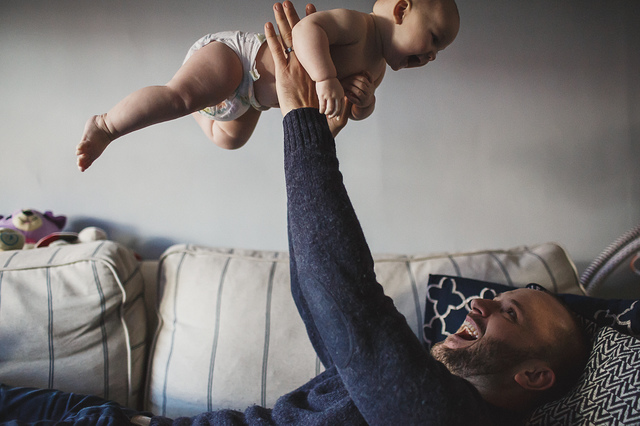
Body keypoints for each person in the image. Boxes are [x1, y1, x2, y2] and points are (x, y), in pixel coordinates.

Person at [1, 4, 588, 425]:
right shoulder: (421, 386)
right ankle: (148, 120)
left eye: (509, 310)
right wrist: (308, 120)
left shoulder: (442, 413)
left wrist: (302, 121)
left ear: (534, 377)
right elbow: (318, 291)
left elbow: (345, 301)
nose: (480, 300)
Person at [75, 0, 460, 171]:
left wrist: (363, 103)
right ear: (401, 10)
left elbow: (349, 111)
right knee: (178, 97)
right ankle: (107, 125)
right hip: (238, 59)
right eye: (434, 39)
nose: (432, 56)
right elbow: (308, 30)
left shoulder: (378, 69)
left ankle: (198, 108)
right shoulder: (359, 26)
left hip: (252, 102)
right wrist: (326, 77)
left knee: (229, 140)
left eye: (438, 52)